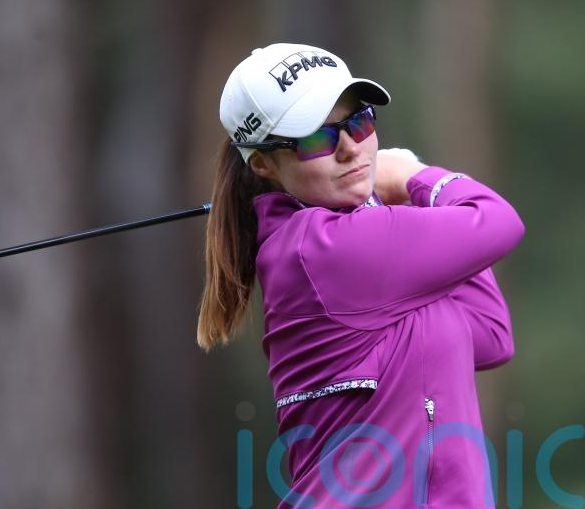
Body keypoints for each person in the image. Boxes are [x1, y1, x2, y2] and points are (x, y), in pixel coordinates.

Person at [196, 43, 525, 508]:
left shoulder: (360, 249)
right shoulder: (320, 249)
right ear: (264, 164)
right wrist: (417, 178)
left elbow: (491, 335)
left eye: (359, 122)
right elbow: (497, 220)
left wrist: (404, 200)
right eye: (316, 139)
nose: (351, 149)